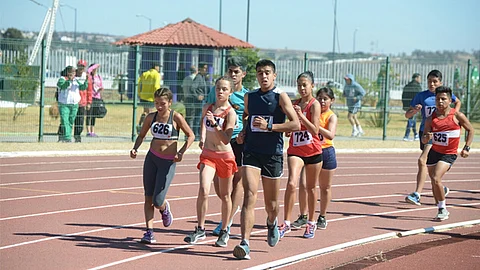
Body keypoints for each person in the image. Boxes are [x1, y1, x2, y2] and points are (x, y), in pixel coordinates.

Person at [232, 59, 300, 260]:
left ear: (274, 75)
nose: (263, 76)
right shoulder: (249, 97)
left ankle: (271, 222)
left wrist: (270, 127)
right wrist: (243, 132)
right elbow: (247, 117)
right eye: (260, 73)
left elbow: (295, 124)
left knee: (271, 204)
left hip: (272, 154)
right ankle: (245, 242)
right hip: (252, 151)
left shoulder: (281, 97)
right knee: (249, 195)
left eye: (267, 72)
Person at [130, 87, 195, 244]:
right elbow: (141, 135)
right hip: (152, 158)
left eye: (163, 104)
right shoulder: (151, 117)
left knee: (158, 201)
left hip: (167, 162)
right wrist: (135, 148)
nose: (159, 107)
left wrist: (181, 152)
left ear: (170, 103)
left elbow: (191, 135)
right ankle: (149, 232)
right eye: (156, 103)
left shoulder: (176, 117)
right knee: (148, 197)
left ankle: (165, 208)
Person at [183, 76, 237, 247]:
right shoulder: (208, 107)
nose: (220, 91)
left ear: (230, 92)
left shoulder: (231, 113)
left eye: (224, 89)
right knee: (204, 190)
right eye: (218, 88)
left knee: (226, 195)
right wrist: (203, 137)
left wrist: (216, 125)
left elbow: (226, 139)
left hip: (225, 156)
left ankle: (224, 230)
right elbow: (202, 124)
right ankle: (200, 228)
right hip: (208, 155)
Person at [206, 56, 249, 237]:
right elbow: (208, 111)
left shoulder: (246, 95)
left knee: (237, 181)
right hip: (217, 139)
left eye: (236, 71)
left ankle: (227, 222)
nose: (232, 74)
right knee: (219, 185)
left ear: (243, 74)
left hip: (236, 141)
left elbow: (248, 116)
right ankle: (230, 207)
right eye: (230, 70)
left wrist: (243, 132)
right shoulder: (216, 91)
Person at [404, 70, 461, 206]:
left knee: (422, 160)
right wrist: (414, 111)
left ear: (440, 82)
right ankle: (441, 188)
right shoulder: (421, 96)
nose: (432, 84)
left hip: (437, 133)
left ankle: (417, 194)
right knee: (430, 166)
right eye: (429, 81)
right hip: (425, 131)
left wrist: (454, 115)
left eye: (435, 81)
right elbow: (407, 115)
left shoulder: (444, 95)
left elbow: (457, 101)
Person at [278, 71, 322, 240]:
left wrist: (301, 116)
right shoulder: (294, 103)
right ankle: (286, 222)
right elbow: (290, 126)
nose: (302, 88)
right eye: (299, 85)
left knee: (311, 188)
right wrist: (289, 129)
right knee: (291, 183)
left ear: (312, 85)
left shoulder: (314, 104)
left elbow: (315, 130)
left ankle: (311, 222)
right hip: (296, 150)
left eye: (305, 85)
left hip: (313, 151)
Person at [422, 86, 474, 220]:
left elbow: (471, 130)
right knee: (434, 182)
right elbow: (424, 136)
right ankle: (442, 191)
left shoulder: (457, 116)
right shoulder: (430, 118)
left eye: (443, 99)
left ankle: (442, 209)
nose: (440, 102)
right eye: (438, 99)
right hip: (434, 152)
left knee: (435, 177)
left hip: (449, 153)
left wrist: (466, 147)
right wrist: (426, 137)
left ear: (450, 100)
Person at [292, 87, 338, 231]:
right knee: (304, 185)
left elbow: (330, 135)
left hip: (326, 151)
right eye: (320, 98)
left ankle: (322, 216)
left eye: (326, 99)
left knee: (325, 187)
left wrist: (316, 126)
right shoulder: (311, 111)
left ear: (332, 101)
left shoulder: (331, 116)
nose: (322, 101)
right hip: (311, 151)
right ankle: (303, 215)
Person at [56, 65, 88, 142]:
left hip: (74, 104)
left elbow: (83, 87)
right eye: (70, 72)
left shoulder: (76, 81)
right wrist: (68, 81)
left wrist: (86, 81)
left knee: (70, 121)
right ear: (67, 72)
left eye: (73, 73)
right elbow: (62, 86)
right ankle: (67, 137)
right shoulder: (62, 79)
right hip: (64, 104)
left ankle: (67, 137)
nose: (72, 74)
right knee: (64, 120)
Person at [185, 63, 208, 140]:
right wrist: (197, 96)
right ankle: (196, 134)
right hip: (198, 101)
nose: (205, 70)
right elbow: (192, 88)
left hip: (201, 101)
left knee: (199, 117)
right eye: (204, 68)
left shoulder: (202, 77)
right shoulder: (198, 77)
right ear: (200, 69)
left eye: (206, 68)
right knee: (197, 118)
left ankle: (197, 134)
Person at [137, 63, 161, 133]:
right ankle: (144, 128)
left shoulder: (144, 74)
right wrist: (158, 95)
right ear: (156, 67)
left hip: (143, 96)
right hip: (151, 97)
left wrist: (139, 93)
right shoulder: (156, 74)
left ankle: (140, 125)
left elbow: (139, 84)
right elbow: (156, 86)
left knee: (145, 112)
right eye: (158, 67)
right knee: (150, 113)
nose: (159, 68)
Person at [73, 59, 91, 143]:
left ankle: (77, 136)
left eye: (83, 66)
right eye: (80, 66)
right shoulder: (72, 74)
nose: (81, 68)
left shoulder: (86, 76)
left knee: (80, 121)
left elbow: (89, 90)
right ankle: (64, 135)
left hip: (82, 102)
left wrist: (89, 102)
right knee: (69, 119)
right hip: (72, 101)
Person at [402, 73, 422, 141]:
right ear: (416, 78)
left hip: (407, 105)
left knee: (413, 119)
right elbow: (419, 97)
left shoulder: (407, 86)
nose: (420, 80)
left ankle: (415, 134)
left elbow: (403, 96)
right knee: (411, 119)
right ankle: (406, 135)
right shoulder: (417, 87)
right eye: (419, 78)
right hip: (414, 106)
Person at [86, 63, 104, 137]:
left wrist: (100, 89)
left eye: (95, 69)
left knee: (94, 115)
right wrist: (96, 65)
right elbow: (88, 71)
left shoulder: (98, 76)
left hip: (97, 96)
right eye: (93, 69)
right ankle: (88, 131)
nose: (94, 70)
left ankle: (92, 130)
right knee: (88, 114)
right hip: (90, 96)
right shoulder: (89, 76)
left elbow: (101, 85)